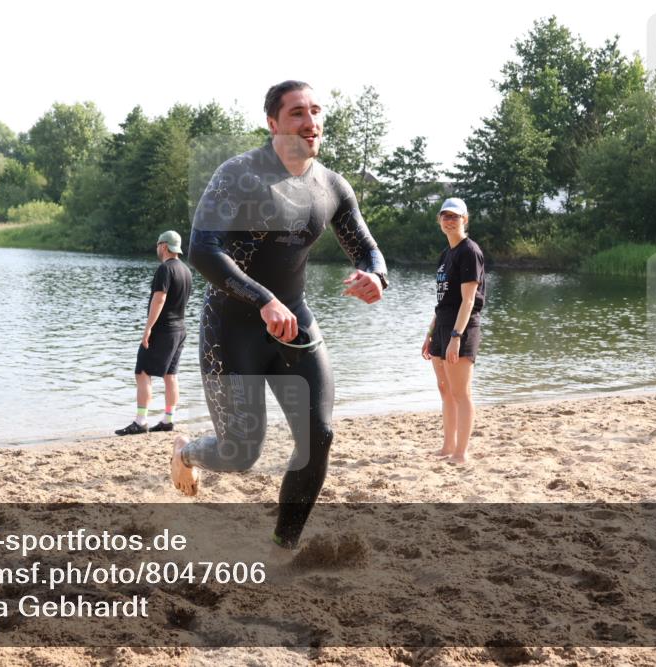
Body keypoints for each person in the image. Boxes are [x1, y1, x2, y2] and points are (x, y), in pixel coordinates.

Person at [168, 81, 388, 551]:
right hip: (233, 326)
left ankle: (281, 546)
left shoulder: (330, 186)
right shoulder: (239, 175)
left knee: (320, 436)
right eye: (296, 114)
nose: (310, 123)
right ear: (273, 123)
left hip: (295, 324)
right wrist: (263, 299)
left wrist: (376, 277)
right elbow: (204, 250)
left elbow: (367, 250)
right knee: (241, 452)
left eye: (315, 112)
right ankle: (185, 451)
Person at [420, 198, 485, 465]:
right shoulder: (445, 254)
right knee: (445, 389)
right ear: (439, 220)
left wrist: (456, 337)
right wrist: (430, 333)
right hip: (442, 325)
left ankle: (461, 453)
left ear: (464, 220)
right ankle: (448, 446)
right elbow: (442, 301)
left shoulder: (470, 251)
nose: (449, 220)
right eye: (445, 216)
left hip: (463, 327)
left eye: (454, 216)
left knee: (461, 392)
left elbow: (468, 301)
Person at [115, 231, 192, 435]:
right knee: (171, 374)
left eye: (158, 244)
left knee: (142, 372)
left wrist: (148, 328)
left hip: (163, 329)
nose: (157, 248)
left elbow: (159, 299)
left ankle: (141, 421)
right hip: (180, 329)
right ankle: (168, 419)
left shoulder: (165, 269)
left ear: (164, 246)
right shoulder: (186, 271)